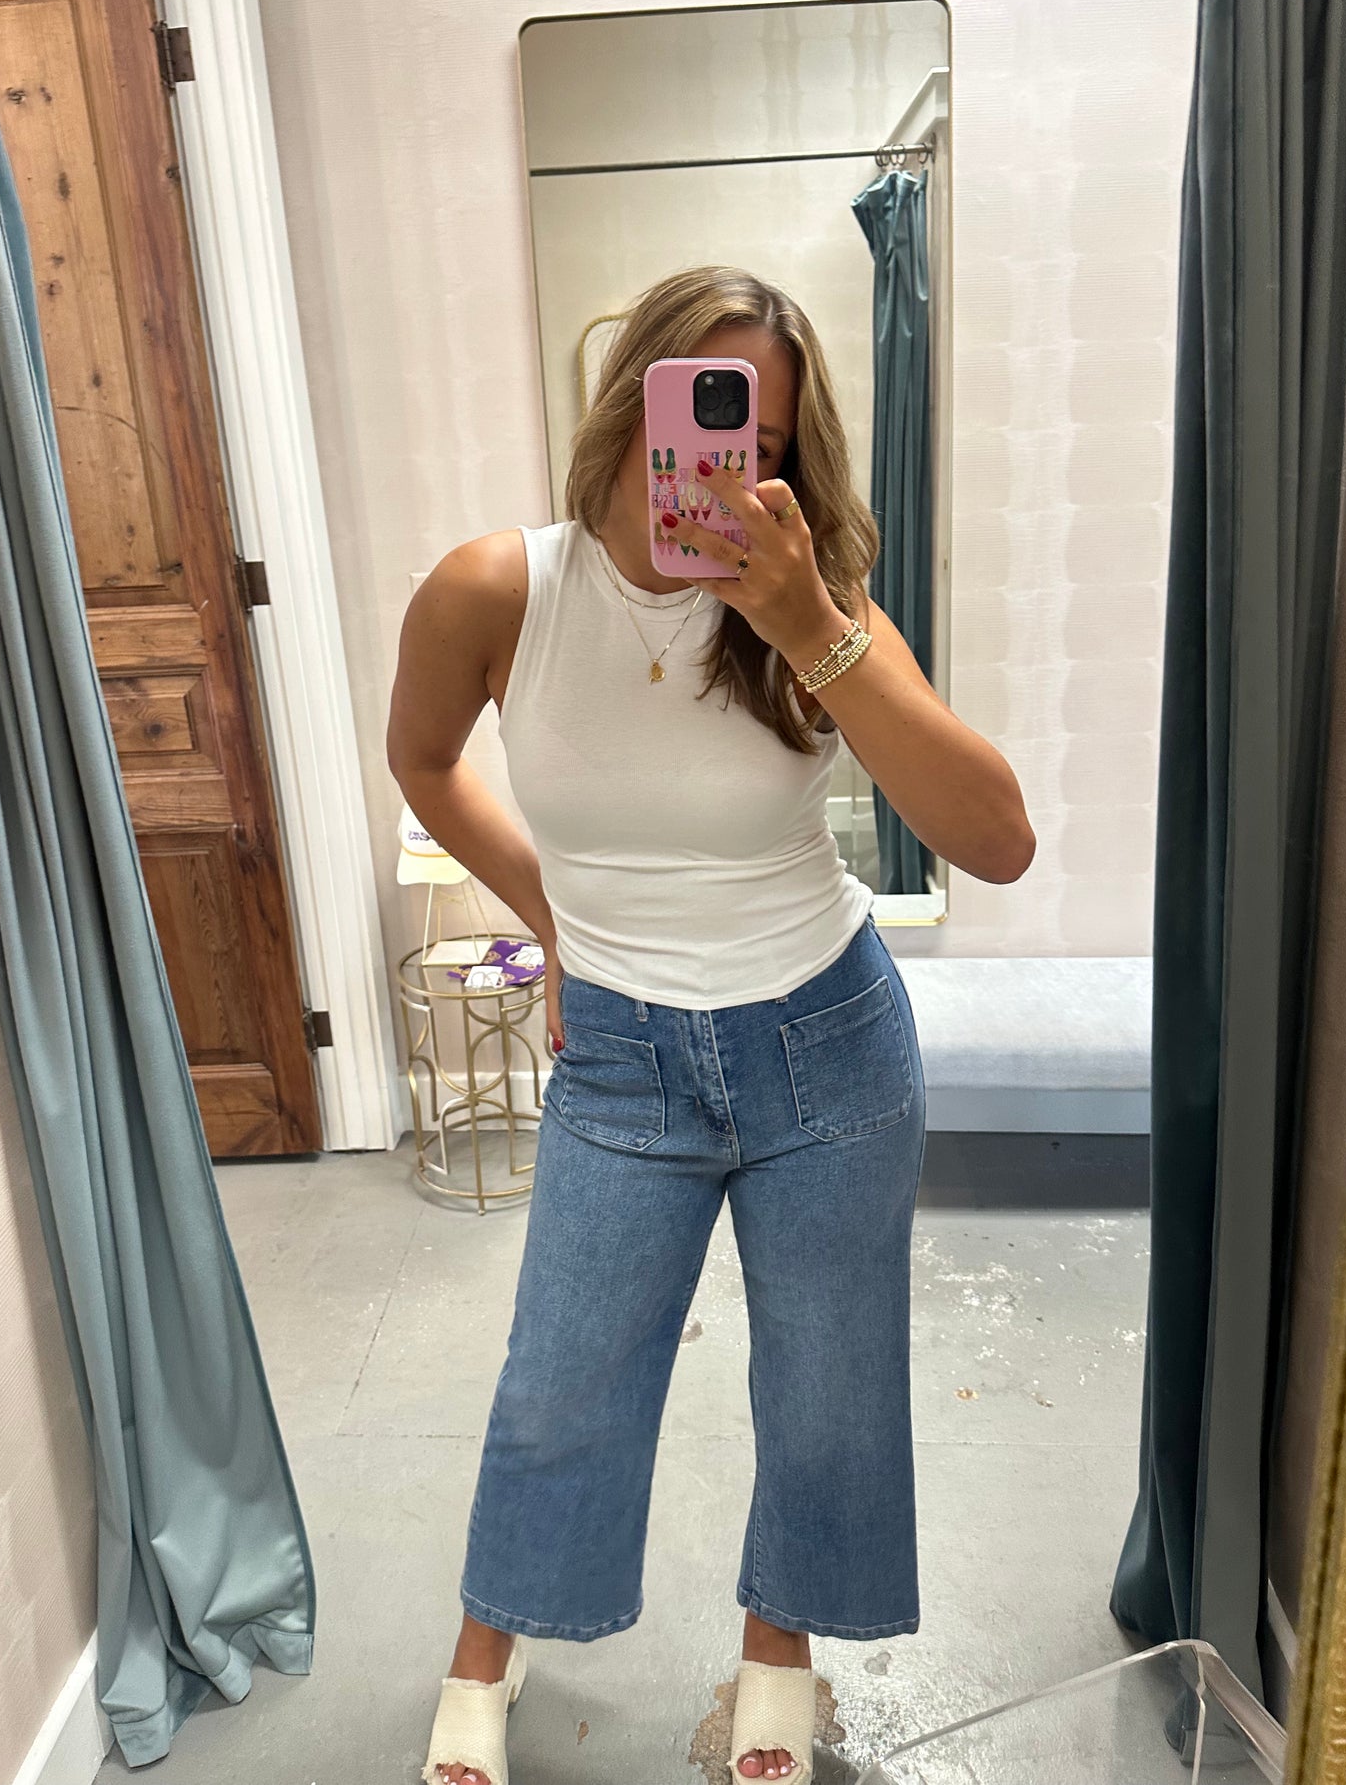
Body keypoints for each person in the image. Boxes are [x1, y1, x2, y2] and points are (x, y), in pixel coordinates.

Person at [388, 264, 1035, 1785]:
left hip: (830, 1044)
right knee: (561, 1379)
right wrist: (557, 919)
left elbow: (994, 839)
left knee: (825, 1388)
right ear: (631, 408)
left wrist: (809, 623)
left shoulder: (814, 610)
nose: (721, 466)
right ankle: (490, 1648)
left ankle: (777, 1655)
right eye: (700, 419)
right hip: (620, 1060)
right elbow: (424, 760)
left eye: (763, 441)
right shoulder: (498, 590)